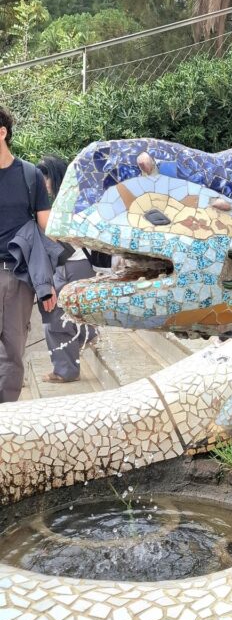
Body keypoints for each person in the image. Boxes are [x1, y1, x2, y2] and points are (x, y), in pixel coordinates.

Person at [0, 106, 57, 404]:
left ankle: (6, 415)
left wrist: (48, 282)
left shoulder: (29, 175)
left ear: (2, 133)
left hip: (17, 275)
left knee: (13, 350)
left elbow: (46, 228)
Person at [38, 155, 97, 384]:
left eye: (46, 178)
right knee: (69, 314)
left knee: (55, 318)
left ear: (55, 177)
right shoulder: (76, 200)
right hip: (79, 265)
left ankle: (66, 370)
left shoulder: (64, 205)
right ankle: (86, 340)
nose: (43, 183)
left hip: (71, 265)